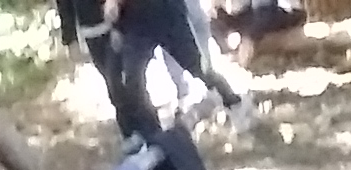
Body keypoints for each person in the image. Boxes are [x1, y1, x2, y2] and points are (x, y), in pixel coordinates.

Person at [62, 0, 248, 141]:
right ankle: (153, 138)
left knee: (198, 68)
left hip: (166, 14)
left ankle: (233, 101)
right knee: (131, 80)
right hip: (134, 24)